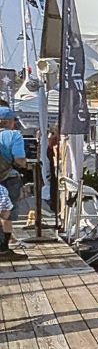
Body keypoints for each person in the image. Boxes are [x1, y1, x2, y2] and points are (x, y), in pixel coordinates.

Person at [0, 107, 28, 260]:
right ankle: (4, 249)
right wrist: (23, 164)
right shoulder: (14, 136)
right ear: (9, 122)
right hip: (8, 178)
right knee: (7, 214)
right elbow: (19, 160)